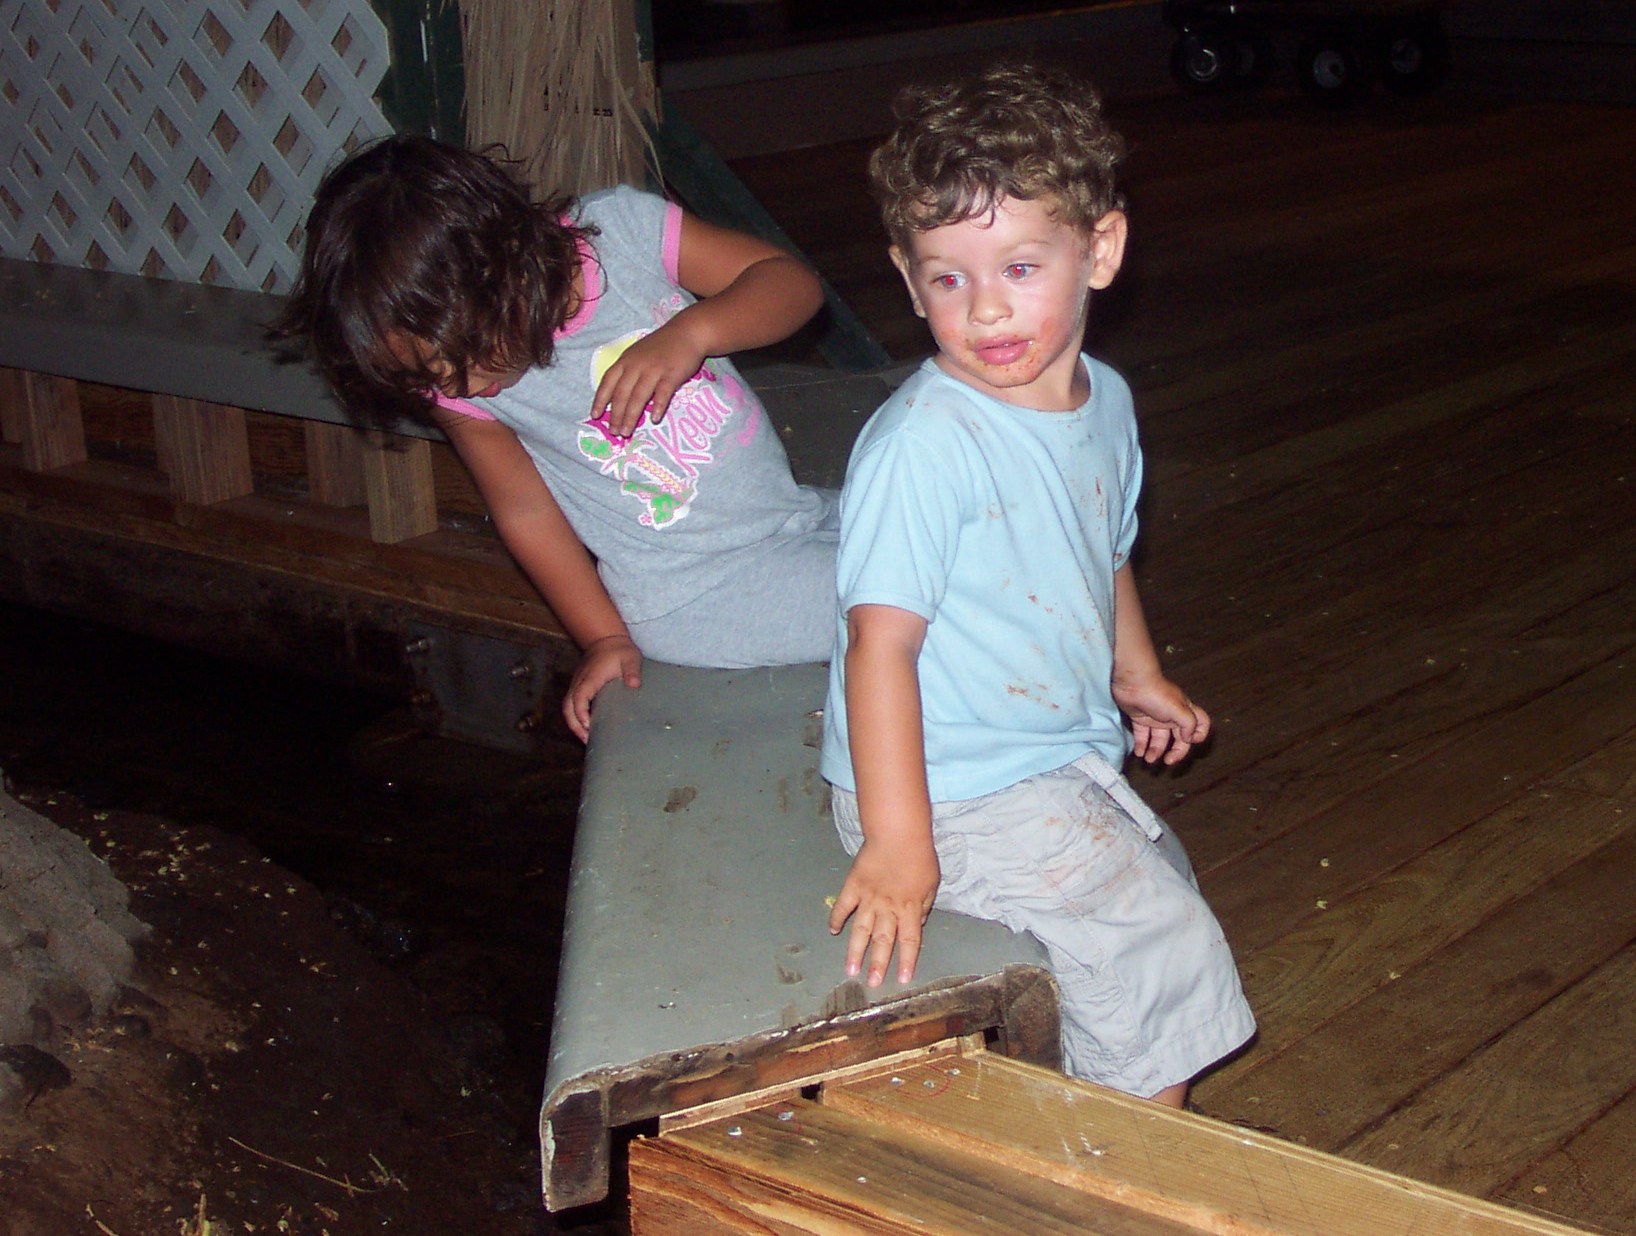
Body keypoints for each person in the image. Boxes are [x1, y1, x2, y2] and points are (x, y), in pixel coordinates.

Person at [820, 66, 1255, 1108]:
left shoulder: (1106, 401)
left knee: (1153, 889)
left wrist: (1135, 672)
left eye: (1020, 266)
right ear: (908, 277)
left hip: (1047, 753)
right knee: (1156, 945)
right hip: (944, 784)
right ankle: (1130, 1154)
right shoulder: (926, 446)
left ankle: (1080, 1092)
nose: (985, 307)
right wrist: (898, 842)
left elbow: (1102, 548)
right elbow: (879, 646)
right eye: (947, 279)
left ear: (1099, 249)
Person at [276, 137, 839, 739]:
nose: (457, 388)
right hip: (702, 591)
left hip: (791, 513)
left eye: (457, 357)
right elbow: (525, 511)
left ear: (504, 270)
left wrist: (694, 331)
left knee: (915, 506)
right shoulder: (463, 391)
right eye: (427, 377)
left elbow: (792, 285)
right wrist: (603, 638)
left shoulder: (625, 236)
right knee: (900, 593)